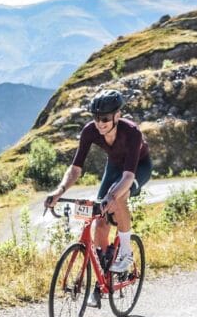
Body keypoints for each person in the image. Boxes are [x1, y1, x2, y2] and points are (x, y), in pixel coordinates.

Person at [44, 88, 151, 283]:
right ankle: (105, 272)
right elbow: (75, 169)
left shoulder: (132, 132)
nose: (100, 123)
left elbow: (127, 177)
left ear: (117, 116)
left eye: (105, 119)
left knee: (117, 197)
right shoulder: (90, 131)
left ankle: (126, 252)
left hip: (137, 167)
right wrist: (59, 191)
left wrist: (112, 197)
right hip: (114, 166)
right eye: (96, 118)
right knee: (100, 221)